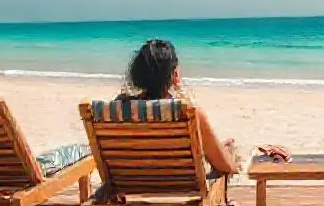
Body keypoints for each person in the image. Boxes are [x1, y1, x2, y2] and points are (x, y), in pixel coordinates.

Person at [119, 39, 289, 174]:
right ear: (175, 74)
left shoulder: (118, 110)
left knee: (226, 147)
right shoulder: (189, 113)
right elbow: (227, 168)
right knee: (233, 151)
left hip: (132, 184)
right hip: (182, 186)